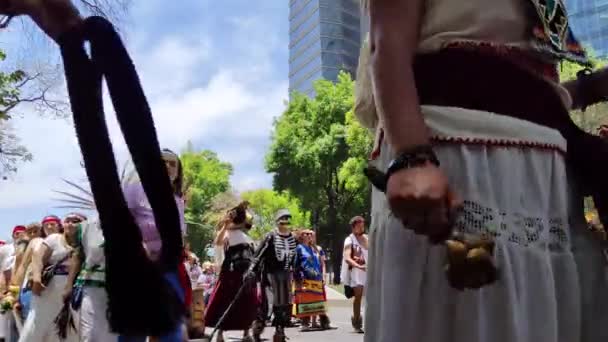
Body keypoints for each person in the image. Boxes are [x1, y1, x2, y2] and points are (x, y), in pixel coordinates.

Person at [355, 0, 608, 341]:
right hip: (459, 153)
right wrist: (411, 153)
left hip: (548, 172)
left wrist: (591, 87)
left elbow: (531, 79)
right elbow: (387, 43)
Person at [18, 213, 82, 342]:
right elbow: (38, 257)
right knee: (36, 326)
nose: (70, 223)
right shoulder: (54, 239)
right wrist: (36, 278)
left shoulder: (84, 243)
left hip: (72, 294)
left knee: (66, 332)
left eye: (75, 221)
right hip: (48, 290)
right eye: (67, 220)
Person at [204, 203, 257, 342]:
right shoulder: (226, 232)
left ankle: (246, 333)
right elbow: (218, 242)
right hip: (231, 271)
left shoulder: (247, 236)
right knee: (225, 301)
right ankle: (220, 333)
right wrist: (225, 225)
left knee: (247, 302)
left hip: (246, 272)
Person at [248, 209, 298, 342]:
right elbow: (258, 254)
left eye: (287, 218)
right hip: (271, 275)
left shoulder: (293, 238)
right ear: (277, 221)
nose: (285, 221)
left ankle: (279, 332)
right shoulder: (270, 236)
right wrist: (252, 269)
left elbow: (295, 258)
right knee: (268, 305)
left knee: (284, 305)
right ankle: (258, 329)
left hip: (286, 275)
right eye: (283, 218)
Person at [294, 229, 330, 331]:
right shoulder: (299, 248)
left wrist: (322, 276)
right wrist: (298, 279)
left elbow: (320, 263)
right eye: (307, 234)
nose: (310, 235)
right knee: (306, 301)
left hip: (316, 278)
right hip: (305, 278)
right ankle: (305, 323)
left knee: (318, 300)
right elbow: (296, 264)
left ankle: (324, 322)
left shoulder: (313, 248)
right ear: (302, 236)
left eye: (311, 234)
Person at [341, 216, 367, 334]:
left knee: (371, 297)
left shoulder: (366, 238)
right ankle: (357, 321)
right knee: (359, 296)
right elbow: (347, 257)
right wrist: (358, 266)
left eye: (363, 225)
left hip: (368, 271)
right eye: (359, 225)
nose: (362, 227)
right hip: (356, 273)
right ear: (353, 227)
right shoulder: (349, 239)